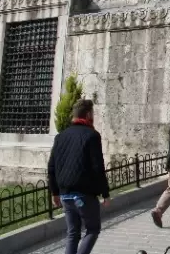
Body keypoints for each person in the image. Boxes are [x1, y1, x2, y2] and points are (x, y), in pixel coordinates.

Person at [48, 99, 110, 254]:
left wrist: (55, 192)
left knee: (73, 233)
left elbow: (52, 166)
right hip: (84, 195)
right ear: (88, 114)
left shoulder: (60, 136)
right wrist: (105, 193)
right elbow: (98, 167)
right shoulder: (92, 135)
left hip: (65, 195)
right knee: (92, 229)